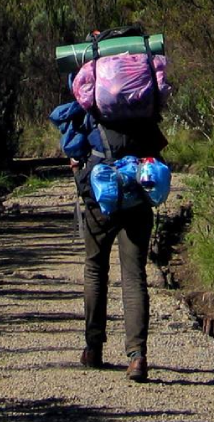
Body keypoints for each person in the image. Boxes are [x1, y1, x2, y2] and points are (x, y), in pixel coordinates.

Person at [71, 114, 166, 382]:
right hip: (137, 201)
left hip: (100, 201)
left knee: (95, 269)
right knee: (134, 276)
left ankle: (93, 348)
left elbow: (74, 154)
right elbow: (158, 153)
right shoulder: (142, 110)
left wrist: (81, 174)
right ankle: (137, 357)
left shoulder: (90, 110)